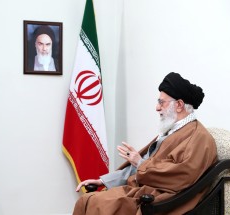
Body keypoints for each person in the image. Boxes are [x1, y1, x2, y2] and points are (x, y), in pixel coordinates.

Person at [73, 72, 217, 215]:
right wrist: (104, 181)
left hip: (158, 201)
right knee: (87, 200)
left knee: (96, 203)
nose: (157, 108)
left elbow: (181, 177)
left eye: (161, 102)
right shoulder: (172, 130)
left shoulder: (199, 138)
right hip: (141, 192)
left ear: (179, 105)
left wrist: (140, 163)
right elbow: (141, 167)